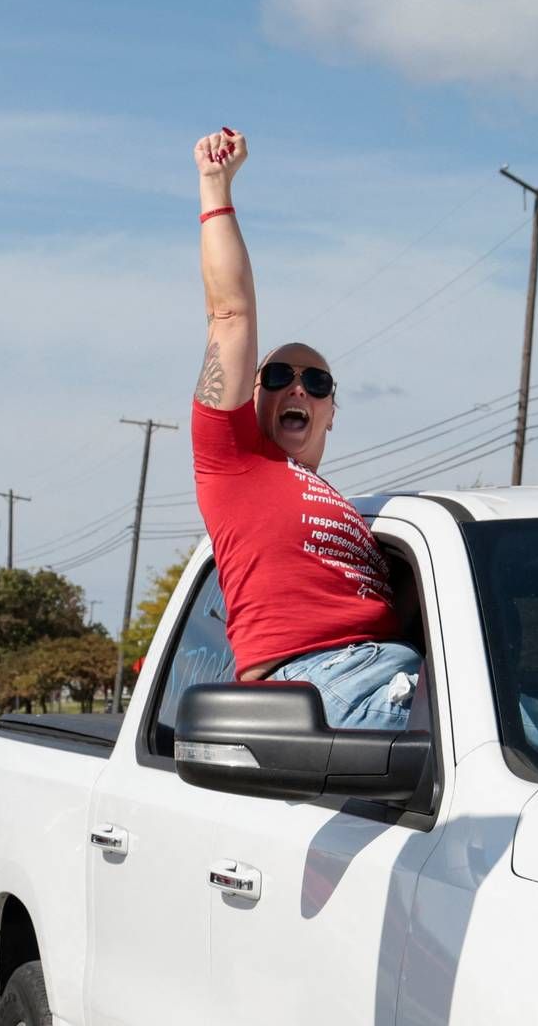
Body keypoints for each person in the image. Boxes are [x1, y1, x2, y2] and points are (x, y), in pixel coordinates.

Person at [189, 127, 419, 730]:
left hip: (399, 672)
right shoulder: (234, 464)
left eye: (316, 383)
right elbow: (230, 314)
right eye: (281, 376)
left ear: (332, 412)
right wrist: (215, 186)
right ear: (253, 394)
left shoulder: (350, 508)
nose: (298, 387)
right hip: (319, 683)